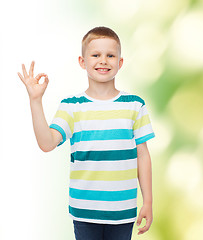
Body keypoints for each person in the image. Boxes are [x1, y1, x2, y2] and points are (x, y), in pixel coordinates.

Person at [17, 26, 155, 240]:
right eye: (96, 55)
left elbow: (143, 155)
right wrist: (35, 100)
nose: (103, 60)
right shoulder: (71, 106)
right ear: (83, 62)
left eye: (110, 55)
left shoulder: (135, 105)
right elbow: (47, 144)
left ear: (120, 62)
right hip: (84, 211)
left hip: (122, 211)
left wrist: (148, 201)